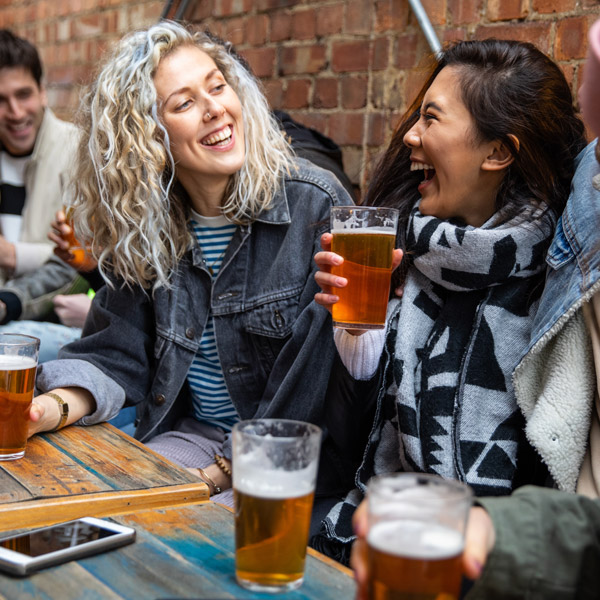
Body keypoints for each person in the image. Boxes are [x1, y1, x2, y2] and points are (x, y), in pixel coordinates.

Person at [25, 21, 352, 512]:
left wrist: (218, 475)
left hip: (288, 459)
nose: (216, 108)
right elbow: (116, 354)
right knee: (99, 511)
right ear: (148, 139)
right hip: (195, 436)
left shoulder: (314, 204)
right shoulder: (146, 226)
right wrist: (44, 410)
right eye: (184, 103)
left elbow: (312, 383)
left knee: (177, 534)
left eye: (218, 87)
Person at [350, 19, 600, 600]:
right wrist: (356, 334)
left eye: (431, 118)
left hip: (495, 567)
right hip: (376, 539)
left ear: (497, 153)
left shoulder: (557, 284)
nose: (409, 135)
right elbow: (341, 436)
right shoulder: (394, 242)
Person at [0, 29, 79, 284]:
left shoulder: (80, 152)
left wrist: (13, 255)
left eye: (23, 95)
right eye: (1, 100)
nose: (15, 112)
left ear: (42, 91)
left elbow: (94, 258)